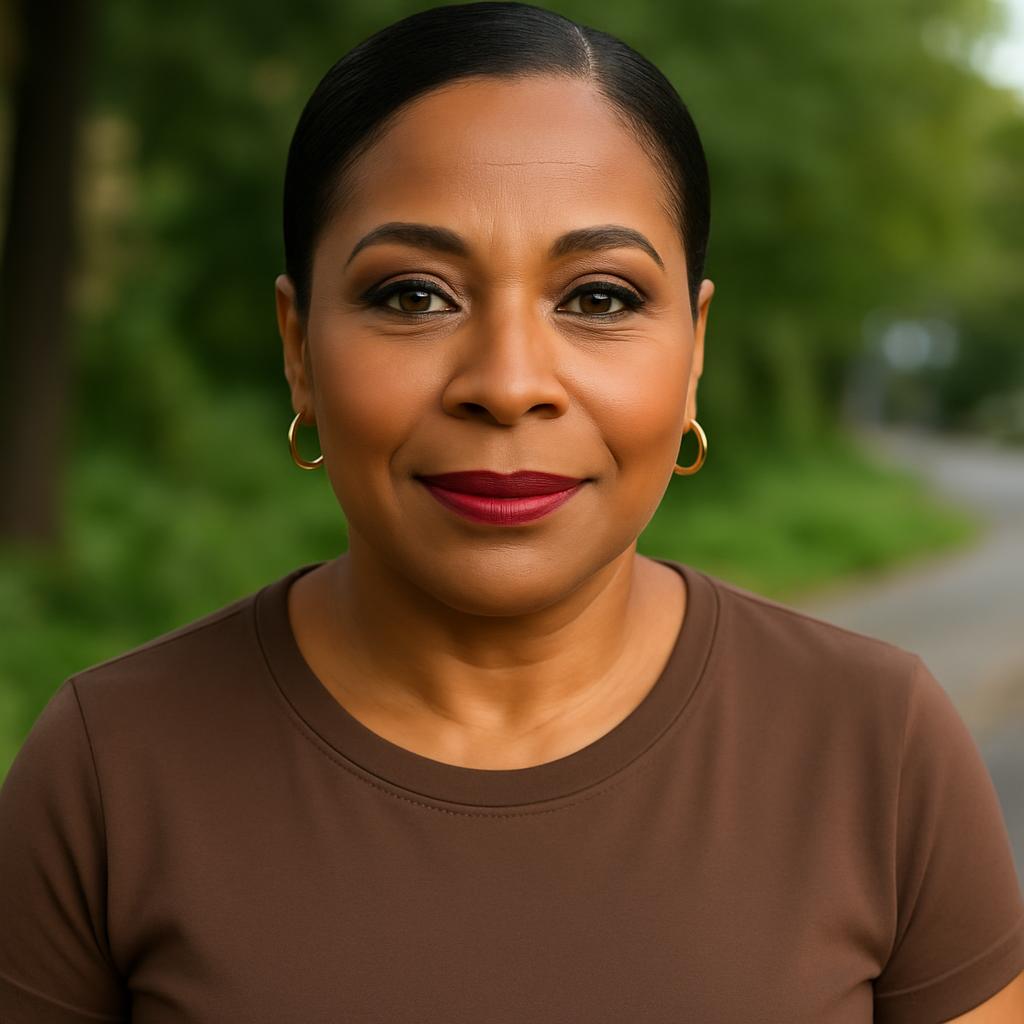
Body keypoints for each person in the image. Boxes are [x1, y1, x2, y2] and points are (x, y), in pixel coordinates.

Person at [1, 3, 1022, 1021]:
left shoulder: (872, 745)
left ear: (694, 349)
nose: (507, 381)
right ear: (298, 347)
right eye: (412, 294)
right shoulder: (111, 766)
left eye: (600, 298)